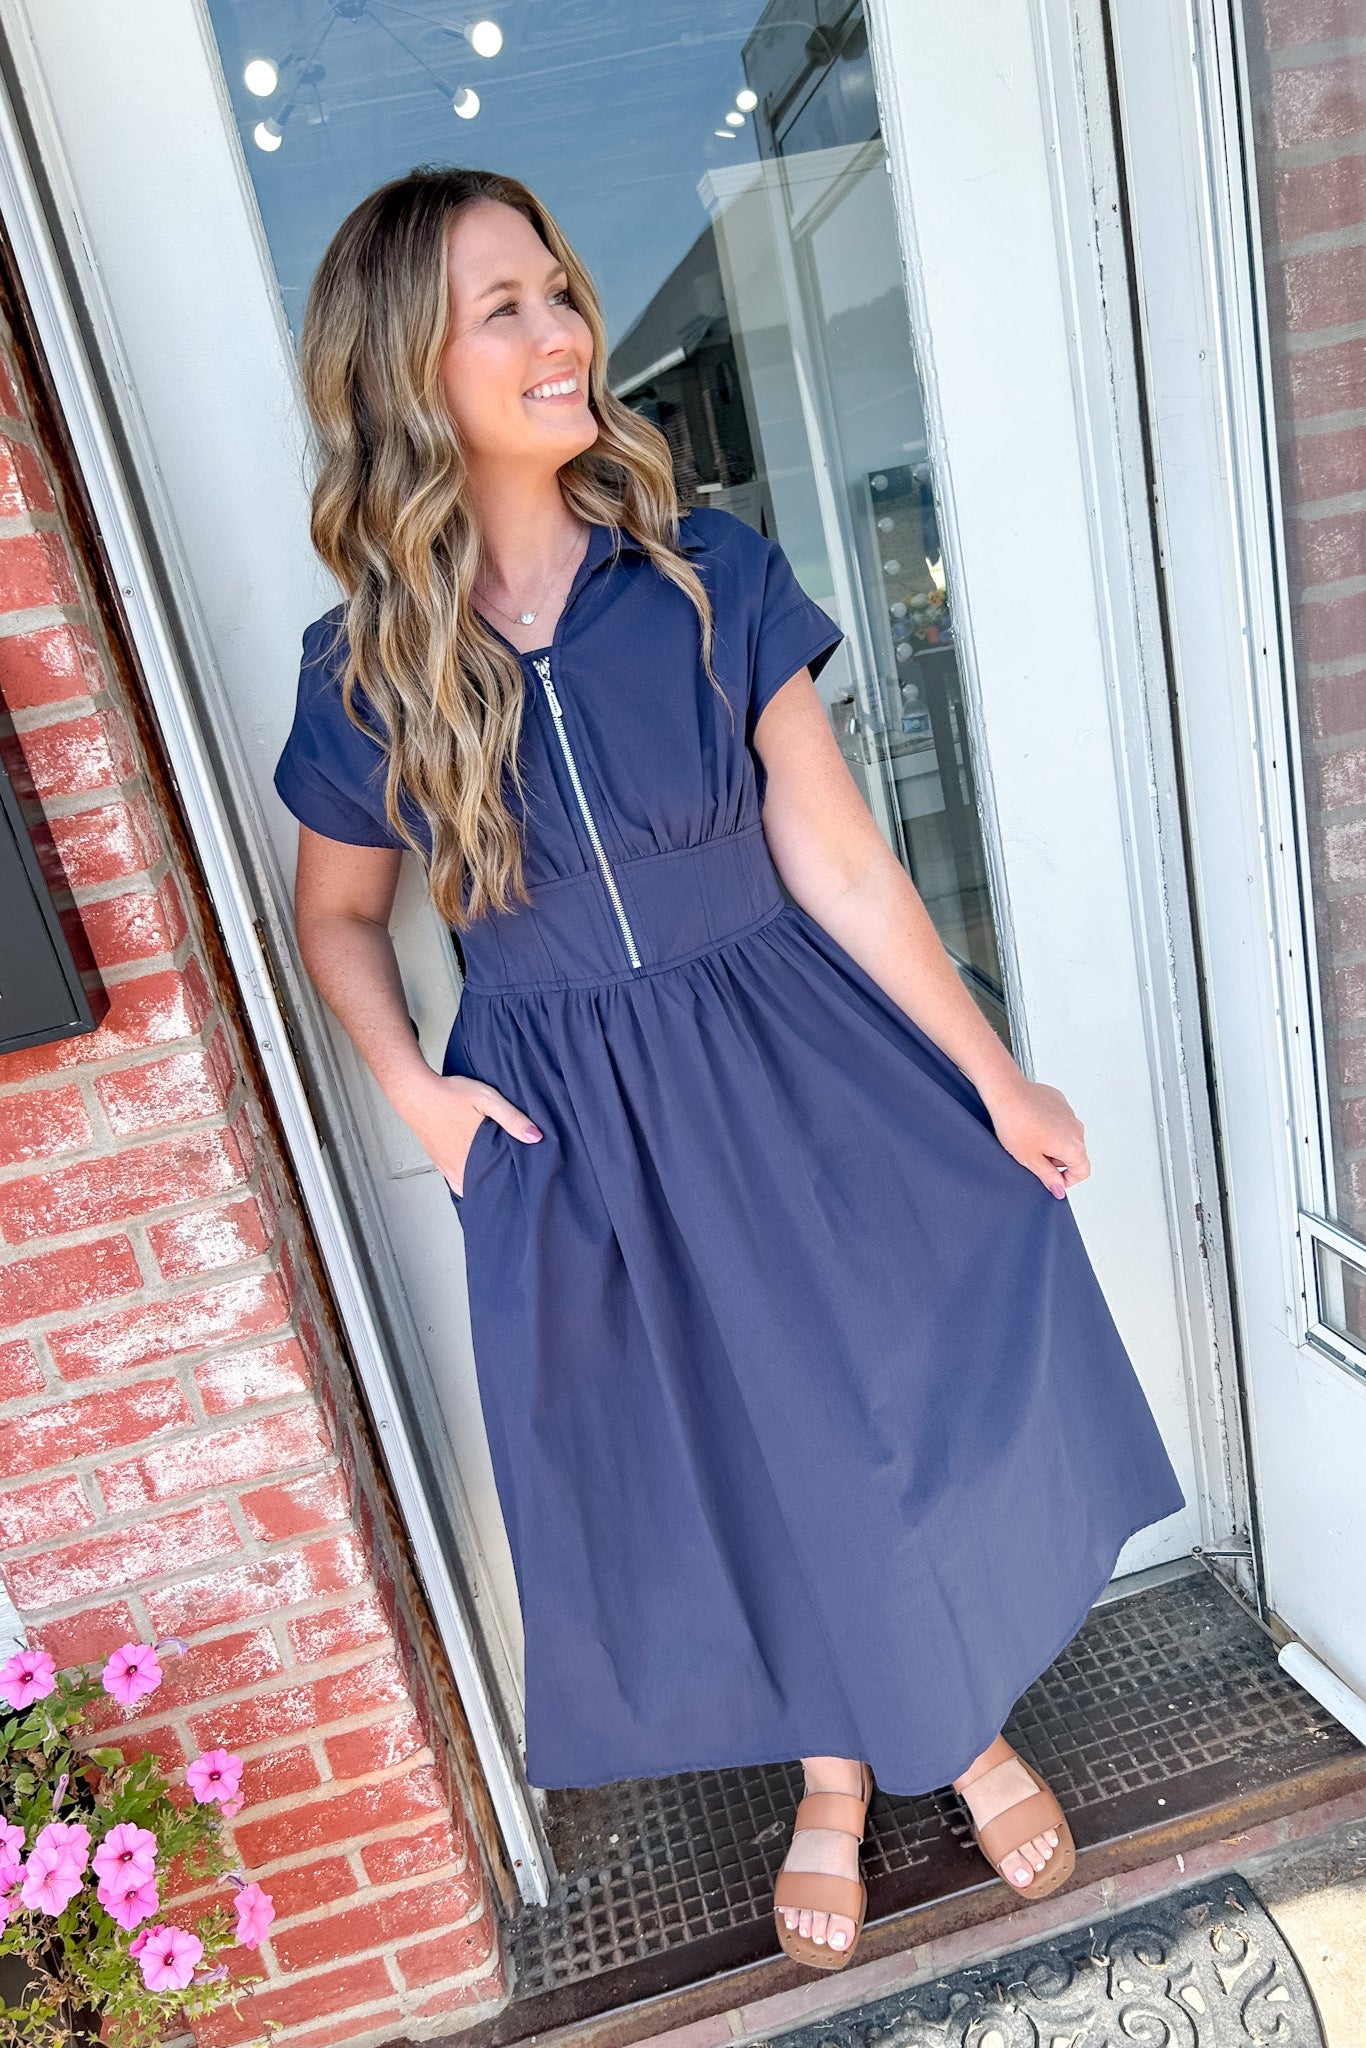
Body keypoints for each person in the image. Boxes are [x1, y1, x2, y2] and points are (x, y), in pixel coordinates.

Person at [273, 165, 1186, 1973]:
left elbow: (838, 855)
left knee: (870, 1395)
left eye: (557, 289)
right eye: (501, 310)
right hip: (573, 1122)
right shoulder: (370, 669)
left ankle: (957, 1726)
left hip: (781, 1062)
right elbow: (338, 923)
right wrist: (417, 1097)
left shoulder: (704, 576)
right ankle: (833, 1770)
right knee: (712, 1449)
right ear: (406, 371)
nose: (559, 334)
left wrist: (994, 1077)